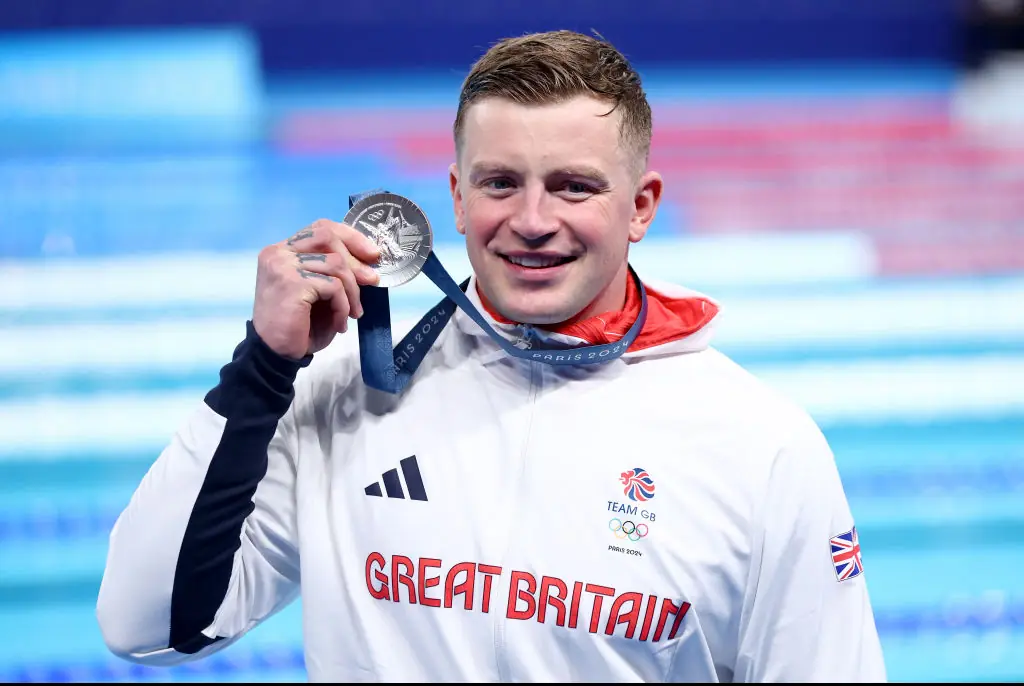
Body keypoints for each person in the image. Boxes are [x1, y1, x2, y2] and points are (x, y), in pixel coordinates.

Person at [96, 30, 887, 682]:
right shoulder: (345, 397)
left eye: (573, 187)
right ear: (457, 197)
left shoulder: (759, 446)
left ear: (641, 206)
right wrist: (263, 368)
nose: (533, 220)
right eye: (501, 183)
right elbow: (147, 623)